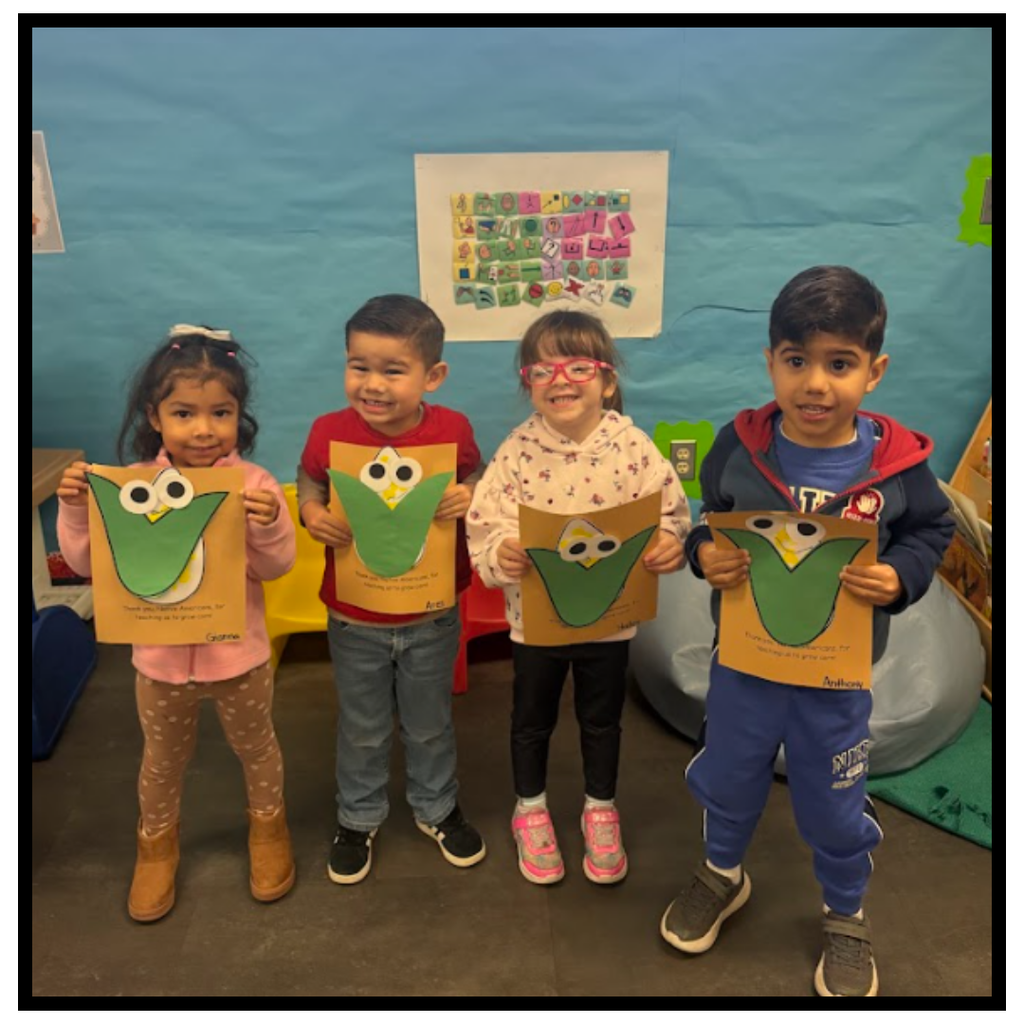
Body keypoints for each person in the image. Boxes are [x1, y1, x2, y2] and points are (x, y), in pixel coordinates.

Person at [659, 266, 955, 997]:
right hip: (745, 667)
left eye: (840, 363)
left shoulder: (900, 467)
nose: (815, 384)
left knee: (833, 798)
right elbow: (709, 516)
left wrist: (902, 576)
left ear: (874, 371)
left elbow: (931, 529)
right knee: (727, 774)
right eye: (797, 361)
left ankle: (846, 912)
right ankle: (723, 873)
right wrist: (704, 555)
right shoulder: (741, 443)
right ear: (771, 363)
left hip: (835, 679)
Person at [57, 324, 298, 922]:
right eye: (184, 412)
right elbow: (90, 564)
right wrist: (74, 509)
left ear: (239, 416)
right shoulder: (133, 489)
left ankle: (269, 832)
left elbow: (276, 565)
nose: (203, 428)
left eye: (220, 412)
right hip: (160, 662)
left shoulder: (253, 486)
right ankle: (155, 845)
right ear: (155, 416)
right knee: (162, 759)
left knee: (257, 748)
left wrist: (267, 522)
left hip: (238, 657)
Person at [467, 310, 690, 886]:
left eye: (578, 366)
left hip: (610, 625)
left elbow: (669, 510)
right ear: (528, 384)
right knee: (530, 720)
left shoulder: (634, 447)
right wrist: (500, 555)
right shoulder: (515, 451)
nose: (560, 379)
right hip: (535, 624)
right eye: (542, 369)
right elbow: (484, 524)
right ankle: (529, 808)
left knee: (602, 720)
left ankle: (600, 807)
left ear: (607, 380)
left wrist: (669, 540)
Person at [297, 295, 486, 884]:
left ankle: (437, 806)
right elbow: (310, 475)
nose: (372, 385)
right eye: (359, 366)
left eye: (392, 370)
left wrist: (471, 492)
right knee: (362, 723)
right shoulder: (329, 431)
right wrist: (309, 508)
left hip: (432, 613)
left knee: (429, 721)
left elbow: (476, 472)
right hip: (355, 616)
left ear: (433, 376)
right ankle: (358, 816)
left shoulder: (452, 430)